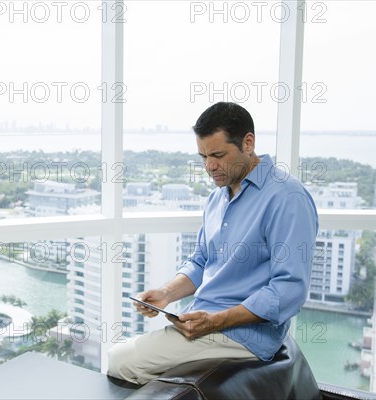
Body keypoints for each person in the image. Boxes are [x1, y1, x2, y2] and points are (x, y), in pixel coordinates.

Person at [107, 102, 319, 385]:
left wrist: (217, 321)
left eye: (218, 155)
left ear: (248, 143)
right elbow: (201, 261)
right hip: (204, 323)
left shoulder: (287, 197)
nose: (209, 166)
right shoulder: (217, 198)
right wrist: (166, 294)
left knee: (121, 360)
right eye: (203, 156)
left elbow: (289, 290)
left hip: (244, 334)